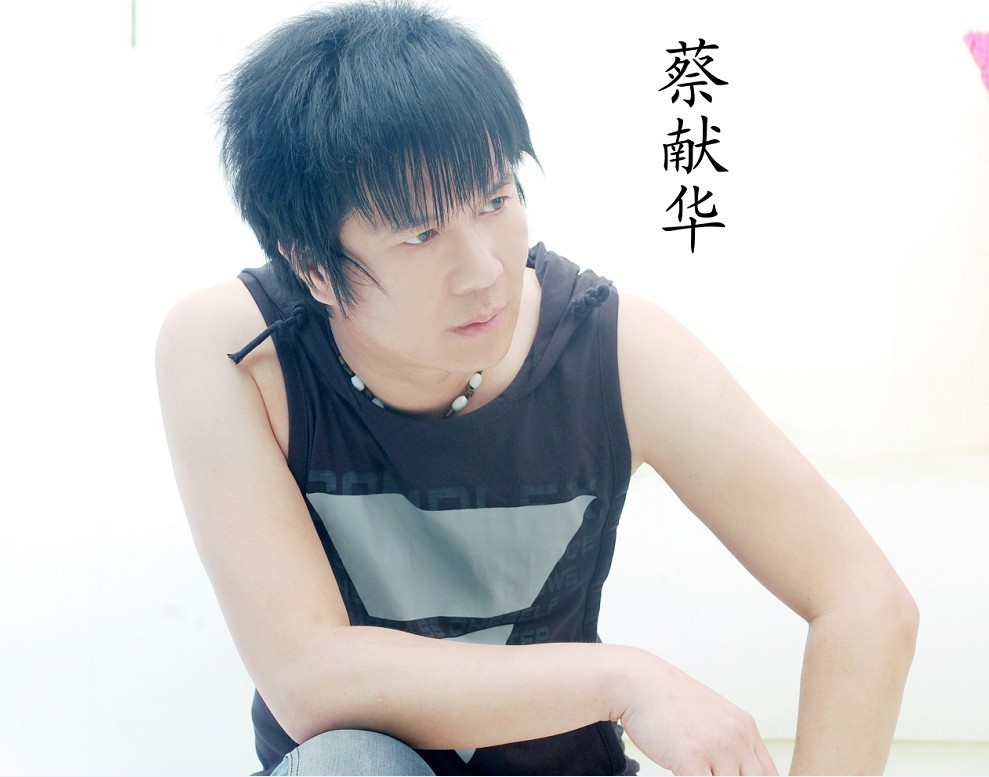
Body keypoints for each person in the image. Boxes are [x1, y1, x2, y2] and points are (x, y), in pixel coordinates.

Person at [155, 2, 918, 774]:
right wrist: (627, 680)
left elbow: (865, 600)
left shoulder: (613, 347)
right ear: (313, 267)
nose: (484, 268)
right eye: (420, 234)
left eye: (494, 200)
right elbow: (309, 680)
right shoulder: (235, 353)